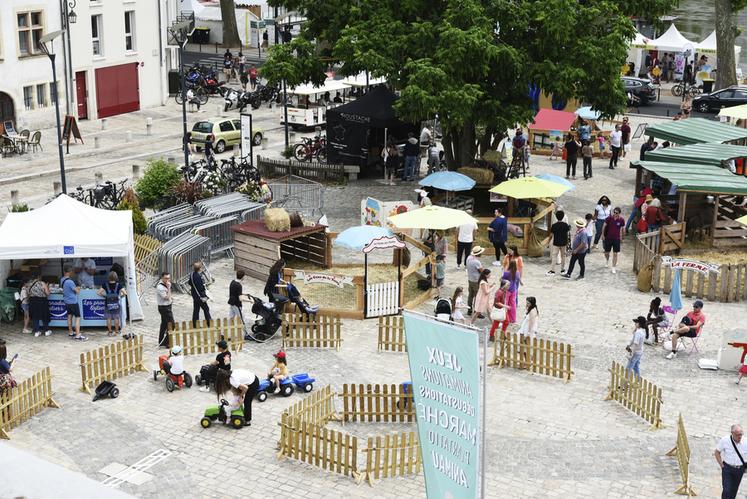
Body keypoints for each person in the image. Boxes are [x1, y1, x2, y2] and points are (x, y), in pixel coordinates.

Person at [714, 424, 747, 499]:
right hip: (727, 468)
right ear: (732, 433)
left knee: (734, 490)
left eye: (741, 434)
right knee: (726, 490)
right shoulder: (725, 440)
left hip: (739, 469)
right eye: (738, 435)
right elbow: (717, 452)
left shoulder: (745, 442)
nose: (740, 437)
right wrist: (722, 465)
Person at [98, 271, 126, 337]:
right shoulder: (119, 285)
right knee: (116, 318)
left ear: (109, 277)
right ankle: (116, 331)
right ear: (116, 277)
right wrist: (120, 297)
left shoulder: (105, 284)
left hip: (107, 304)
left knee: (108, 318)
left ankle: (110, 332)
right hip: (116, 304)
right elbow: (125, 293)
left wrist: (105, 296)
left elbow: (98, 292)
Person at [60, 266, 83, 340]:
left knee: (69, 316)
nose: (73, 273)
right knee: (78, 317)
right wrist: (78, 288)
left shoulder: (62, 279)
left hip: (66, 301)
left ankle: (70, 332)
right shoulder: (70, 281)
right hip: (73, 301)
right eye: (72, 272)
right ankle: (77, 334)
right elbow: (77, 292)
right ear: (69, 272)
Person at [602, 207, 625, 274]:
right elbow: (604, 226)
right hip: (608, 238)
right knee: (606, 252)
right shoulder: (609, 218)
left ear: (619, 213)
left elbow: (623, 228)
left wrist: (623, 238)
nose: (614, 214)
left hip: (616, 239)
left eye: (616, 213)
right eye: (614, 212)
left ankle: (613, 267)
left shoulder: (621, 220)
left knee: (615, 253)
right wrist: (603, 235)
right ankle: (607, 259)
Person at [546, 210, 569, 275]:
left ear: (556, 217)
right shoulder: (565, 225)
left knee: (554, 256)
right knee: (563, 256)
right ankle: (562, 270)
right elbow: (567, 234)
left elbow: (551, 235)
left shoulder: (554, 225)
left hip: (556, 242)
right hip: (564, 243)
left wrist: (548, 241)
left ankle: (552, 270)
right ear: (563, 216)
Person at [190, 262, 211, 327]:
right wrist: (206, 287)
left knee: (196, 309)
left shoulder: (192, 274)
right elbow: (200, 288)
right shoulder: (198, 277)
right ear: (199, 268)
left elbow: (189, 283)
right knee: (206, 309)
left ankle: (195, 324)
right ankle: (209, 323)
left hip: (194, 294)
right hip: (200, 296)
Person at [501, 260, 521, 328]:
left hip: (507, 290)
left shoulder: (506, 273)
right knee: (513, 305)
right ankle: (513, 319)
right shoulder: (517, 273)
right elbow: (517, 281)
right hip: (514, 289)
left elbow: (502, 280)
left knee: (505, 304)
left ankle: (504, 318)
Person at [156, 273, 174, 348]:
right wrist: (169, 288)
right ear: (162, 278)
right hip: (164, 307)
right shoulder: (160, 287)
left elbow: (169, 296)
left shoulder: (166, 284)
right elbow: (166, 297)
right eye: (166, 278)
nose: (167, 280)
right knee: (172, 325)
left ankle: (161, 341)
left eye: (168, 278)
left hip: (168, 306)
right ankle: (167, 342)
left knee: (164, 324)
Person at [465, 246, 485, 315]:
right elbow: (482, 271)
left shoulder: (468, 258)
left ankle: (469, 309)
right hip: (476, 281)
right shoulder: (477, 262)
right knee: (478, 297)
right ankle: (477, 312)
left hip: (470, 279)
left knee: (470, 295)